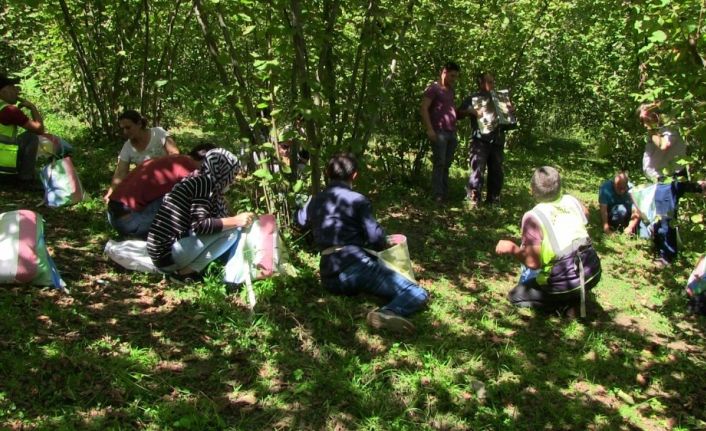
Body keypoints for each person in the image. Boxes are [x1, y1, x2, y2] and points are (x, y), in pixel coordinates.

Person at [296, 153, 429, 333]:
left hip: (329, 276)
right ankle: (387, 313)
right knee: (417, 292)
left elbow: (301, 221)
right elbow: (375, 239)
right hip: (355, 267)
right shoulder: (358, 200)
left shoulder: (315, 200)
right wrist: (384, 240)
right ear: (354, 176)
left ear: (327, 173)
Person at [495, 166, 601, 316]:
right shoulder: (570, 200)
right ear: (559, 187)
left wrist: (512, 248)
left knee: (516, 296)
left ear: (532, 189)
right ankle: (575, 295)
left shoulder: (533, 216)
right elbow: (586, 214)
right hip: (592, 271)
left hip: (563, 278)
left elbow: (533, 263)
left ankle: (563, 305)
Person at [147, 148, 255, 278]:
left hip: (161, 253)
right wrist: (237, 220)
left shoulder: (196, 178)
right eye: (232, 174)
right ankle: (185, 273)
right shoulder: (204, 184)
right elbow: (200, 225)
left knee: (228, 226)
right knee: (231, 231)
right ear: (223, 171)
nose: (232, 180)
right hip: (168, 256)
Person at [107, 143, 215, 239]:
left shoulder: (171, 160)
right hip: (130, 221)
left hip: (112, 215)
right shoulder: (190, 171)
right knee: (186, 202)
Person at [459, 72, 515, 207]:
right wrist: (469, 111)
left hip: (497, 140)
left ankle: (493, 200)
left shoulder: (500, 98)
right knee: (477, 169)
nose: (492, 84)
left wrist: (511, 112)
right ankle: (473, 199)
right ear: (480, 83)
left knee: (496, 171)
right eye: (489, 82)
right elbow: (458, 113)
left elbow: (509, 122)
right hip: (480, 140)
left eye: (492, 81)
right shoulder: (472, 98)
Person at [104, 110, 179, 202]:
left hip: (169, 181)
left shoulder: (158, 133)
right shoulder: (127, 147)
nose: (125, 132)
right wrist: (111, 192)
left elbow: (175, 154)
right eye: (122, 128)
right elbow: (120, 172)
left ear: (139, 124)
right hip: (147, 187)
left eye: (128, 127)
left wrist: (155, 165)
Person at [420, 62, 460, 203]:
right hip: (439, 131)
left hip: (451, 132)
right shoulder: (434, 88)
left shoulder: (450, 90)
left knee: (446, 164)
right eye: (452, 75)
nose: (453, 79)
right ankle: (437, 194)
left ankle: (444, 192)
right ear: (443, 72)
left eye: (456, 76)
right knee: (440, 163)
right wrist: (430, 129)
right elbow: (424, 108)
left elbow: (451, 110)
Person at [0, 73, 44, 188]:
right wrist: (32, 107)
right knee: (31, 137)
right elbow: (39, 129)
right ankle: (25, 180)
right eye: (12, 88)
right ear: (2, 91)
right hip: (3, 172)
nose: (16, 92)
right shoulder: (9, 110)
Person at [638, 102, 686, 182]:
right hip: (658, 177)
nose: (644, 125)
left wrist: (650, 128)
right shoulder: (656, 131)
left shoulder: (670, 127)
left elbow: (663, 145)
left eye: (646, 119)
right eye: (642, 121)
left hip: (672, 177)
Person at [598, 171, 640, 235]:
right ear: (614, 184)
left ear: (627, 184)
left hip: (629, 215)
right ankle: (617, 228)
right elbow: (603, 210)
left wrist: (630, 227)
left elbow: (637, 210)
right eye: (619, 188)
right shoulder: (605, 188)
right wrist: (606, 228)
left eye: (624, 188)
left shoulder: (632, 190)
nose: (622, 191)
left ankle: (629, 229)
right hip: (613, 214)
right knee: (621, 209)